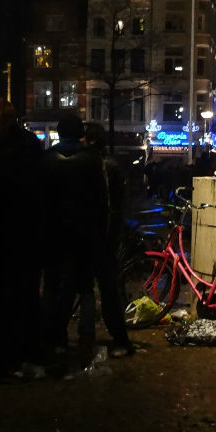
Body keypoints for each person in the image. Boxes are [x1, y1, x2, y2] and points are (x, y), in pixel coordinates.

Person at [0, 99, 46, 383]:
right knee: (1, 301)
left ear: (7, 121)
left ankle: (17, 355)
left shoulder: (22, 149)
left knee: (18, 299)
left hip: (16, 235)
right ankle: (7, 357)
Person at [42, 113, 108, 372]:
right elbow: (101, 201)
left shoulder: (46, 159)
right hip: (84, 233)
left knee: (51, 285)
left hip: (53, 233)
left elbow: (40, 200)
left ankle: (53, 335)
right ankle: (85, 335)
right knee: (84, 286)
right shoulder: (92, 159)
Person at [77, 122, 134, 358]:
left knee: (89, 290)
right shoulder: (111, 165)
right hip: (105, 238)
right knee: (107, 291)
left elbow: (108, 207)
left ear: (90, 140)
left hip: (96, 237)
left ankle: (88, 340)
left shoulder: (95, 166)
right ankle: (119, 338)